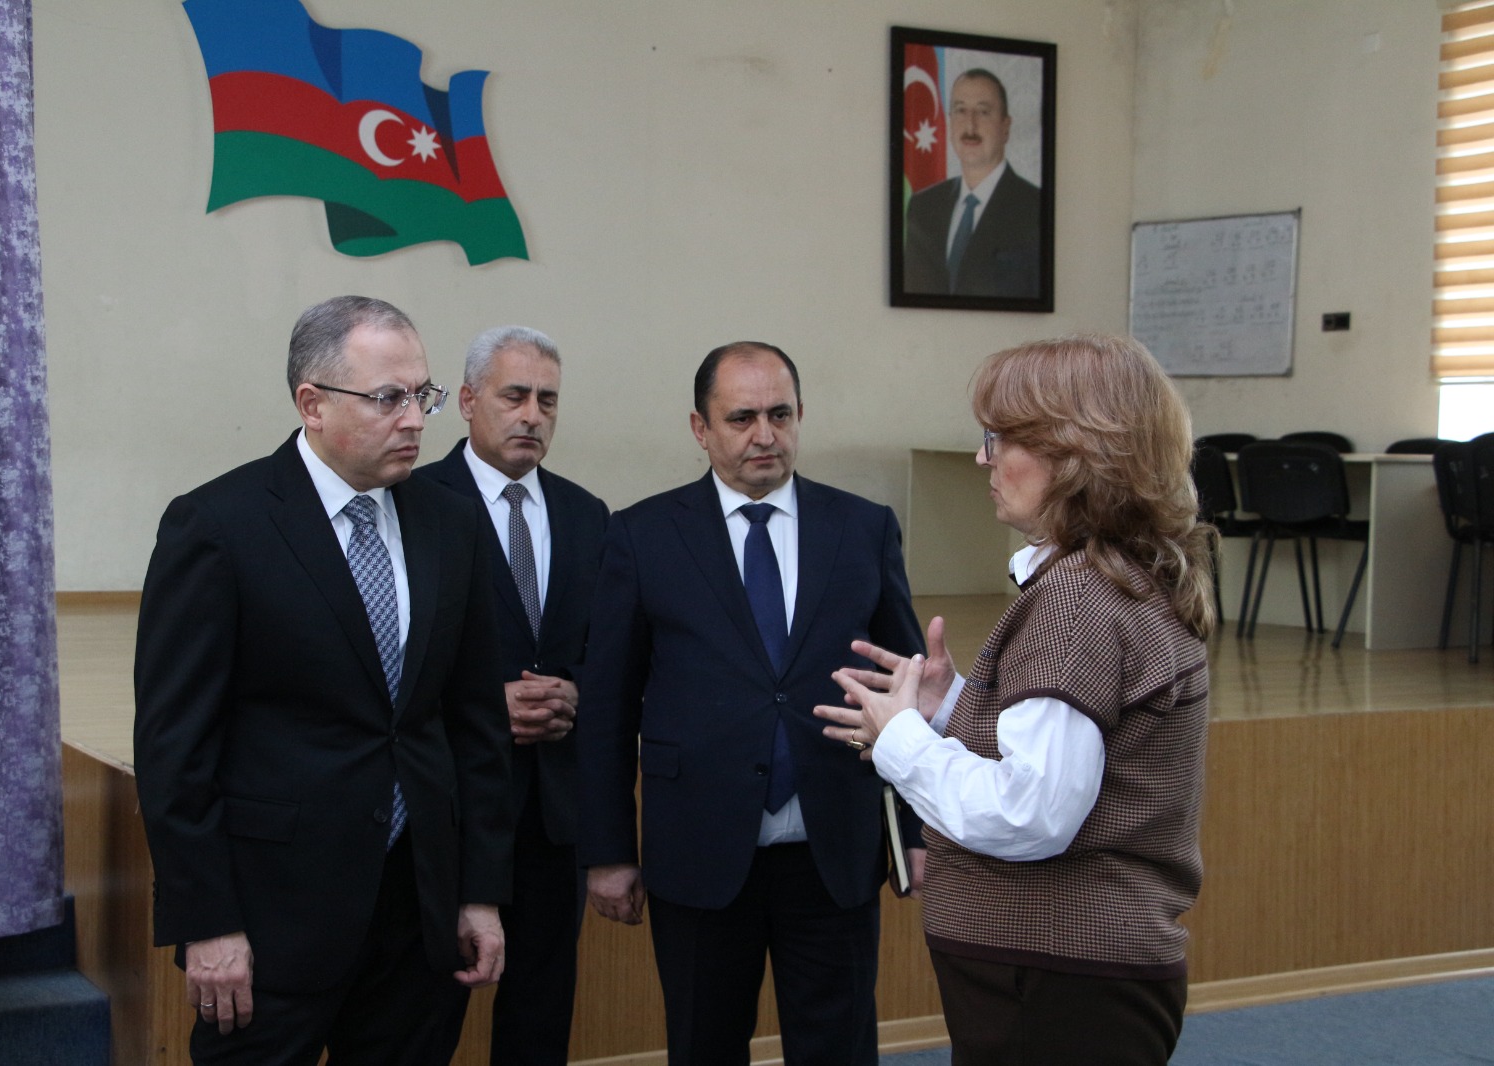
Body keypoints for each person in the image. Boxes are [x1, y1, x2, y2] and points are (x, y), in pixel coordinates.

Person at [133, 296, 514, 1065]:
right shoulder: (219, 526)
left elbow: (475, 724)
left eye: (423, 395)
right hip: (271, 923)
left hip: (418, 917)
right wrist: (206, 923)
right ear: (312, 403)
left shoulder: (452, 523)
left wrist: (478, 891)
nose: (414, 419)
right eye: (388, 398)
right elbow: (175, 749)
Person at [816, 333, 1215, 1066]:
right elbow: (1076, 751)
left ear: (1078, 453)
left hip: (1055, 979)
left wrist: (902, 741)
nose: (983, 460)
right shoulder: (1110, 578)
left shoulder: (1076, 599)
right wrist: (951, 707)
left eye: (999, 439)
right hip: (1069, 975)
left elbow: (1031, 812)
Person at [577, 341, 924, 1066]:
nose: (764, 435)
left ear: (800, 417)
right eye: (741, 418)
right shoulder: (641, 536)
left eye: (779, 415)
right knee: (704, 1045)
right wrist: (608, 851)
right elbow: (608, 708)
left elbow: (906, 688)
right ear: (700, 429)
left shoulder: (864, 528)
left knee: (839, 1049)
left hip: (833, 849)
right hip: (698, 849)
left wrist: (913, 833)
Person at [415, 326, 609, 1066]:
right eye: (514, 396)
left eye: (547, 401)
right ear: (468, 402)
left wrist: (577, 692)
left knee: (540, 1015)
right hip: (450, 809)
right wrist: (482, 703)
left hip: (554, 814)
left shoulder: (587, 514)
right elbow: (386, 663)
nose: (532, 415)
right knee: (423, 1018)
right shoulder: (412, 502)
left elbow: (612, 650)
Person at [903, 67, 1042, 299]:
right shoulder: (923, 207)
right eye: (960, 110)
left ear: (1005, 127)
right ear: (949, 122)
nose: (970, 126)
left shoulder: (1036, 208)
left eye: (983, 112)